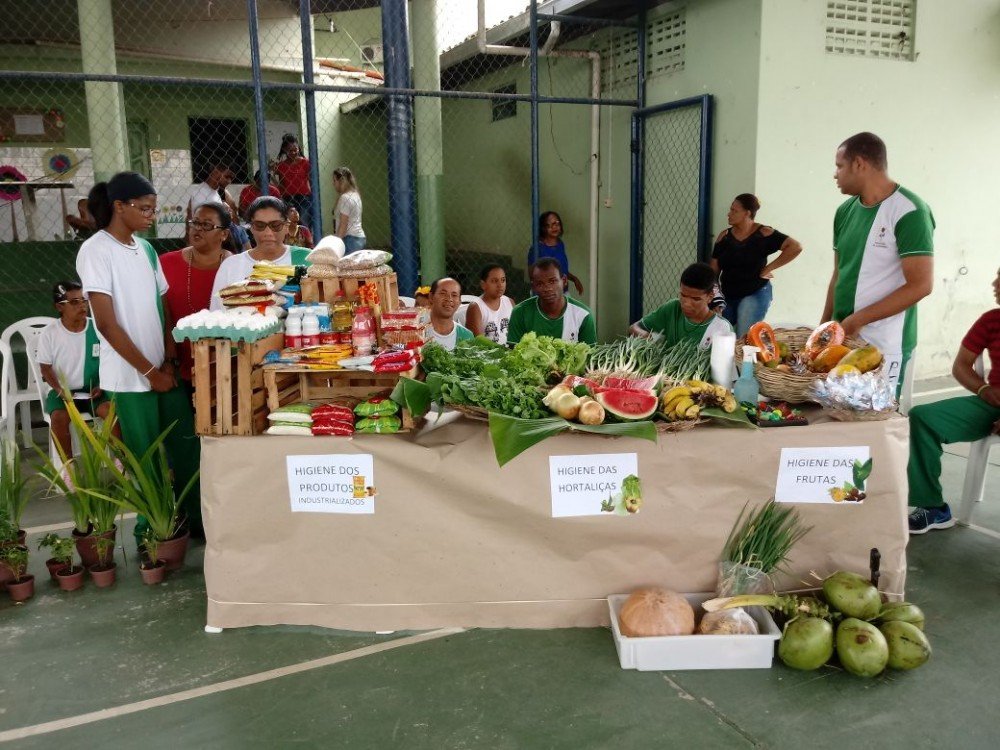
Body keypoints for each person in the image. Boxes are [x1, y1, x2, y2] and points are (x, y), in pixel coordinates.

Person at [76, 171, 202, 541]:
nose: (152, 216)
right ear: (119, 206)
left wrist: (167, 356)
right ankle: (154, 535)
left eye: (154, 209)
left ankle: (194, 522)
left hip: (162, 370)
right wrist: (148, 371)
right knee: (144, 461)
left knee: (185, 449)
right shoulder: (96, 250)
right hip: (131, 379)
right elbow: (106, 323)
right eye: (145, 209)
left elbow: (161, 301)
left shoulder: (145, 249)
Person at [822, 132, 934, 393]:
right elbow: (838, 274)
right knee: (838, 421)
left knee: (879, 427)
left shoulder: (910, 211)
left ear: (860, 164)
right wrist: (825, 327)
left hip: (886, 345)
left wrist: (858, 319)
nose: (835, 174)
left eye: (839, 166)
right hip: (843, 339)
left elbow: (921, 286)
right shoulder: (844, 211)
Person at [907, 269, 1000, 534]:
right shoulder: (991, 321)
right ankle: (932, 507)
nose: (994, 283)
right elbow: (961, 366)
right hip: (991, 403)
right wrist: (983, 390)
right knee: (922, 417)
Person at [36, 281, 115, 459]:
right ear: (59, 307)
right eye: (74, 302)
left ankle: (121, 464)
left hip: (94, 389)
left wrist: (102, 384)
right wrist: (59, 390)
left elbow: (110, 359)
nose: (82, 306)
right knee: (58, 419)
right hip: (62, 392)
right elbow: (45, 368)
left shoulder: (96, 327)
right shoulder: (50, 333)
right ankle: (69, 468)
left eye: (84, 300)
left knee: (111, 413)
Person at [159, 203, 234, 381]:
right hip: (175, 366)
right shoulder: (166, 263)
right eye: (195, 222)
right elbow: (164, 315)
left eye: (207, 225)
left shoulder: (236, 267)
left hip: (226, 368)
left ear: (224, 234)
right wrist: (170, 359)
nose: (198, 229)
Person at [710, 193, 802, 337]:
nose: (729, 214)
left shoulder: (764, 233)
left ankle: (745, 359)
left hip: (754, 292)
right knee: (717, 336)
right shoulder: (724, 237)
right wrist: (716, 298)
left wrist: (769, 268)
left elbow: (795, 247)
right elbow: (713, 272)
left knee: (743, 338)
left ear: (747, 213)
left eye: (734, 211)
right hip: (728, 294)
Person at [210, 196, 309, 310]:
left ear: (286, 226)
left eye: (275, 225)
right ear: (251, 228)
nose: (268, 232)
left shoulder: (306, 259)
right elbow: (217, 313)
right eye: (260, 226)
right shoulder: (231, 266)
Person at [629, 262, 733, 347]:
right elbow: (634, 327)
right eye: (683, 295)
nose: (686, 304)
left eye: (695, 299)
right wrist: (649, 338)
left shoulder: (722, 328)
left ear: (710, 296)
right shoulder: (672, 308)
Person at [508, 258, 596, 345]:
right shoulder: (520, 313)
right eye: (540, 284)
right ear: (533, 286)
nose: (547, 288)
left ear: (564, 281)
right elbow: (514, 355)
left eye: (552, 281)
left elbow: (589, 356)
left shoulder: (583, 315)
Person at [527, 211, 584, 296]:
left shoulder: (560, 244)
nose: (555, 227)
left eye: (557, 223)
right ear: (543, 228)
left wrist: (574, 279)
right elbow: (532, 274)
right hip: (546, 295)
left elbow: (561, 269)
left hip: (563, 292)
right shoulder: (537, 248)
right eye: (550, 225)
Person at [465, 264, 514, 345]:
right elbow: (478, 340)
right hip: (487, 355)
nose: (500, 285)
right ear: (483, 284)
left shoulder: (509, 302)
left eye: (503, 280)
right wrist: (503, 351)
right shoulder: (476, 307)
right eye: (494, 281)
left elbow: (517, 332)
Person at [275, 135, 313, 226]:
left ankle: (306, 239)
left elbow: (311, 180)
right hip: (288, 198)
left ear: (298, 149)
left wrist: (312, 196)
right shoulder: (281, 166)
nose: (293, 152)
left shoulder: (305, 162)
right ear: (285, 150)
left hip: (304, 197)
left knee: (304, 223)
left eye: (295, 150)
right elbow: (280, 184)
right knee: (291, 225)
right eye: (290, 151)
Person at [426, 277, 473, 351]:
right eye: (443, 293)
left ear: (460, 301)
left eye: (454, 295)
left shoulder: (466, 336)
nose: (449, 299)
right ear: (431, 297)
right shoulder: (415, 332)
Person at [333, 167, 366, 254]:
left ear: (341, 181)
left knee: (345, 267)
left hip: (349, 239)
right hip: (359, 238)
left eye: (334, 180)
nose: (333, 184)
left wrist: (336, 244)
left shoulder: (345, 198)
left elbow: (343, 225)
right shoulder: (356, 195)